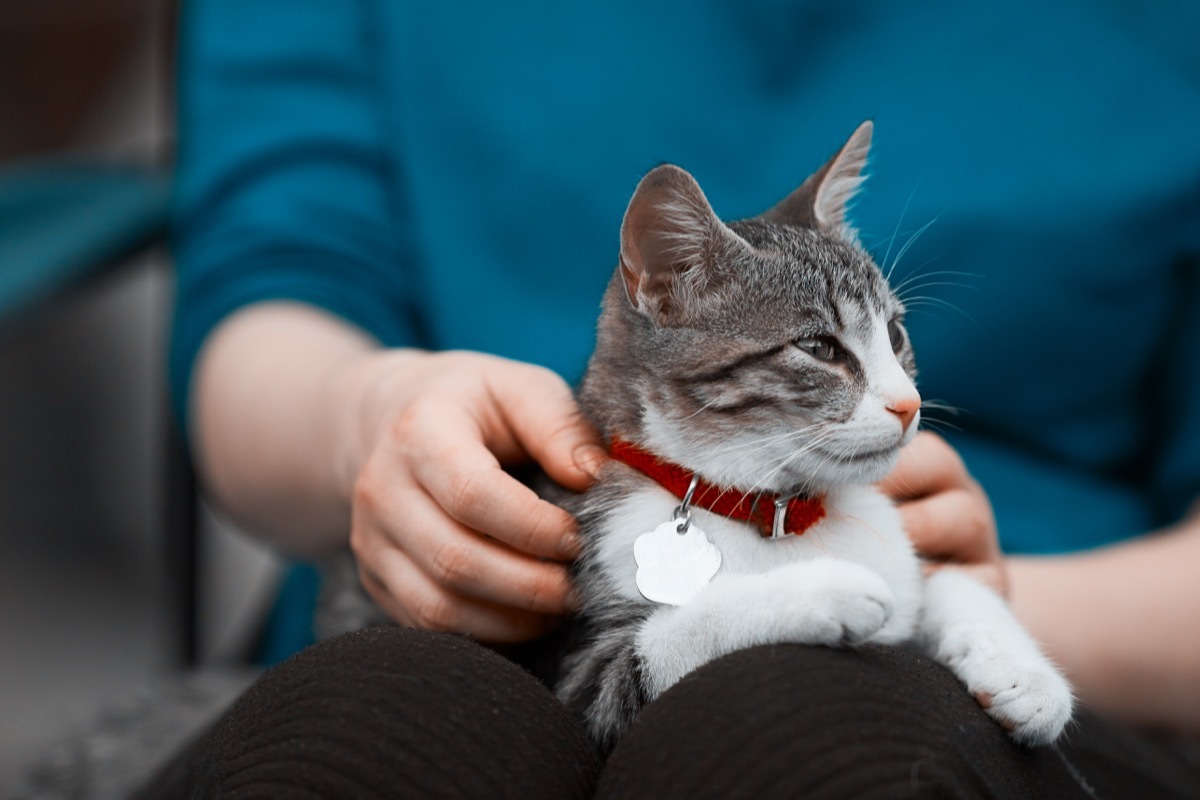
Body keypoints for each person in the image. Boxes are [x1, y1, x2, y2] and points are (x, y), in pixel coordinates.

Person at [149, 0, 1200, 796]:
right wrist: (362, 417)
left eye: (898, 342)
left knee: (804, 739)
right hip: (465, 590)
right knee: (383, 730)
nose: (905, 393)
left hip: (1017, 620)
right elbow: (275, 273)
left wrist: (939, 602)